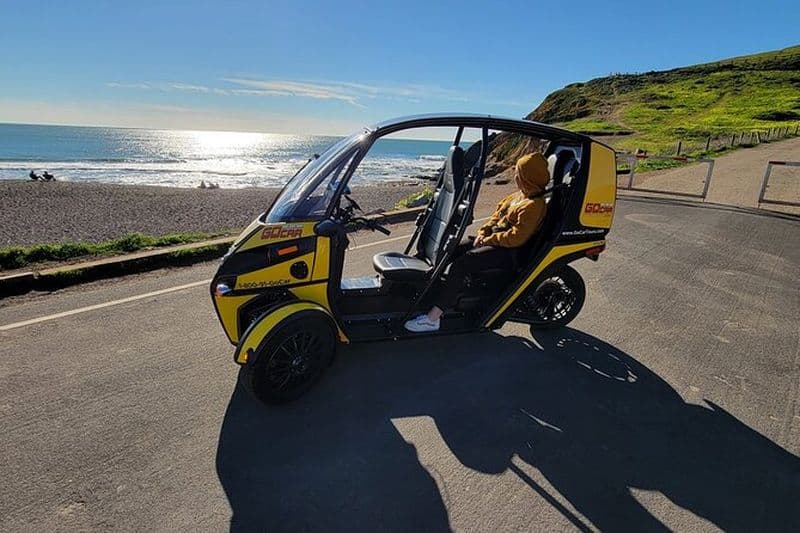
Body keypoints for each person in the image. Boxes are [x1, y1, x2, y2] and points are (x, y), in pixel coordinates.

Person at [404, 152, 551, 333]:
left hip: (509, 251)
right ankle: (431, 293)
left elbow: (516, 237)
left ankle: (433, 318)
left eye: (519, 172)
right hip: (493, 240)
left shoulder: (534, 205)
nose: (515, 175)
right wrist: (483, 232)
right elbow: (496, 217)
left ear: (527, 177)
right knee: (449, 249)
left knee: (461, 265)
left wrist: (487, 240)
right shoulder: (518, 196)